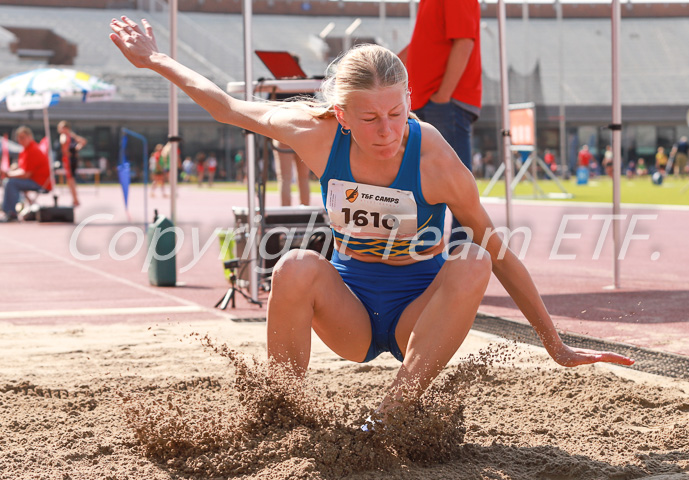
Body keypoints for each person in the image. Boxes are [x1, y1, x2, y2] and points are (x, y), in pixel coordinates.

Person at [109, 17, 634, 418]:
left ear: (409, 101)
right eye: (369, 119)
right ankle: (281, 408)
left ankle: (394, 412)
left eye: (396, 114)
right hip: (351, 310)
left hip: (418, 318)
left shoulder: (434, 158)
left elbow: (499, 253)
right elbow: (224, 105)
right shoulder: (314, 134)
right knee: (293, 264)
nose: (387, 131)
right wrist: (153, 59)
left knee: (473, 258)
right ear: (341, 115)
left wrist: (554, 343)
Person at [400, 0, 482, 244]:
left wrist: (443, 96)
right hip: (430, 101)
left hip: (444, 103)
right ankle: (429, 254)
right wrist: (379, 64)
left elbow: (465, 42)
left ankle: (462, 261)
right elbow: (420, 46)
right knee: (423, 183)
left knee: (457, 189)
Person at [0, 126, 51, 222]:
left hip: (40, 183)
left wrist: (8, 174)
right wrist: (12, 170)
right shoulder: (25, 150)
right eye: (19, 137)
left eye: (23, 137)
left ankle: (11, 213)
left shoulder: (33, 150)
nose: (20, 140)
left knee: (11, 183)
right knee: (9, 181)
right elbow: (23, 169)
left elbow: (26, 174)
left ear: (30, 137)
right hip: (32, 179)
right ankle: (9, 208)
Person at [57, 120, 87, 207]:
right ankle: (75, 199)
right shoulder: (71, 136)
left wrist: (70, 151)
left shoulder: (65, 136)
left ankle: (75, 199)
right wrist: (76, 148)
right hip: (72, 159)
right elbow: (83, 141)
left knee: (71, 180)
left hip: (68, 160)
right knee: (71, 180)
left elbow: (64, 144)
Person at [273, 139, 311, 206]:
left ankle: (285, 210)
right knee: (304, 177)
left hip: (283, 137)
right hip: (302, 138)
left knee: (284, 178)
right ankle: (305, 210)